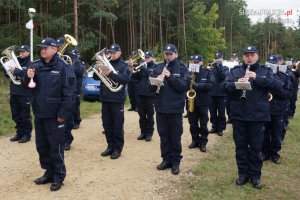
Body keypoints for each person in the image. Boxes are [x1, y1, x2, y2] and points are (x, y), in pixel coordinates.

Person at [223, 46, 282, 189]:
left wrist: (257, 78)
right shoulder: (235, 71)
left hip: (257, 116)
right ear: (243, 57)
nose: (249, 57)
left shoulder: (265, 71)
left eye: (252, 55)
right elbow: (225, 85)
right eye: (246, 55)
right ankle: (243, 174)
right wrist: (237, 84)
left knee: (256, 148)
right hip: (239, 115)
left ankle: (255, 176)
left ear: (257, 56)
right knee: (241, 147)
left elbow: (278, 85)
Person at [22, 38, 75, 191]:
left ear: (55, 49)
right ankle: (49, 173)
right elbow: (28, 86)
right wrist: (28, 75)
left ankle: (58, 176)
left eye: (46, 48)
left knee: (56, 147)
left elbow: (69, 93)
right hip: (39, 112)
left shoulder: (63, 67)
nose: (43, 50)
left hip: (55, 115)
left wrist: (63, 113)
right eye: (41, 48)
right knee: (42, 146)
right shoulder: (36, 65)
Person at [151, 44, 189, 175]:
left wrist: (170, 76)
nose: (168, 56)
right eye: (166, 54)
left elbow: (184, 86)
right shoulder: (157, 67)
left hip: (175, 109)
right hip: (161, 107)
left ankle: (176, 162)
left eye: (170, 54)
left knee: (175, 136)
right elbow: (150, 87)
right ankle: (166, 159)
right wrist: (155, 81)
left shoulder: (182, 68)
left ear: (176, 54)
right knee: (164, 136)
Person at [93, 43, 130, 159]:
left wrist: (110, 74)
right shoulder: (104, 63)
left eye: (113, 52)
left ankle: (117, 148)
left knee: (117, 125)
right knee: (107, 124)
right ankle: (110, 146)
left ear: (120, 53)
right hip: (105, 97)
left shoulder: (124, 66)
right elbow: (95, 77)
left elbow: (125, 80)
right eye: (109, 52)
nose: (111, 54)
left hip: (117, 99)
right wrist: (97, 68)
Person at [262, 55, 292, 164]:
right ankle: (264, 152)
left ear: (278, 64)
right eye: (269, 63)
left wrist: (275, 90)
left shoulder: (284, 77)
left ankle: (274, 154)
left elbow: (288, 93)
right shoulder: (263, 76)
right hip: (265, 109)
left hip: (278, 109)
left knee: (276, 133)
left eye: (273, 63)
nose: (271, 66)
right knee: (264, 132)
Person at [4, 45, 32, 143]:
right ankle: (19, 132)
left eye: (23, 52)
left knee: (25, 115)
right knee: (15, 115)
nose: (21, 53)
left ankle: (27, 134)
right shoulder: (16, 61)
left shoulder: (31, 63)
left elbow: (28, 75)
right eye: (20, 52)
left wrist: (16, 71)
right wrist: (7, 70)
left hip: (25, 93)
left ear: (28, 52)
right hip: (14, 91)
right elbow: (8, 75)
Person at [187, 54, 215, 152]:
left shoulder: (208, 72)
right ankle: (195, 140)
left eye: (197, 62)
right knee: (192, 123)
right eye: (194, 62)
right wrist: (188, 81)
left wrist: (197, 85)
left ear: (202, 62)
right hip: (191, 102)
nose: (196, 63)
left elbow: (211, 85)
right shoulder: (189, 72)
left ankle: (203, 143)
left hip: (203, 102)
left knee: (203, 124)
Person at [56, 37, 77, 151]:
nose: (59, 48)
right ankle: (58, 140)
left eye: (61, 45)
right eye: (58, 46)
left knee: (67, 119)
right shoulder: (54, 58)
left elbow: (78, 71)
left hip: (69, 91)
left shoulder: (71, 57)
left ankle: (67, 140)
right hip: (57, 91)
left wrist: (66, 65)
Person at [135, 50, 156, 142]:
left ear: (152, 58)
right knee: (141, 115)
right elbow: (135, 79)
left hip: (150, 95)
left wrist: (144, 69)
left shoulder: (155, 67)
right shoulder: (142, 67)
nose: (146, 59)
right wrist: (134, 71)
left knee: (150, 115)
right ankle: (143, 132)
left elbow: (152, 76)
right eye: (145, 57)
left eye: (148, 57)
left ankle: (149, 133)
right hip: (141, 93)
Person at [209, 52, 228, 136]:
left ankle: (221, 129)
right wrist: (213, 67)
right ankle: (214, 126)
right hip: (212, 93)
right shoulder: (211, 68)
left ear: (222, 58)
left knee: (221, 112)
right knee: (212, 112)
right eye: (216, 58)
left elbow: (223, 76)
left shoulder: (225, 68)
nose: (217, 59)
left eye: (219, 58)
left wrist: (218, 67)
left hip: (221, 93)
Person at [70, 49, 85, 129]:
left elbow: (80, 71)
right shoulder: (71, 61)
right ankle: (70, 121)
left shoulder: (81, 63)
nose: (76, 56)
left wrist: (70, 67)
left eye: (77, 54)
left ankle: (76, 121)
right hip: (70, 87)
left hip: (77, 87)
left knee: (76, 105)